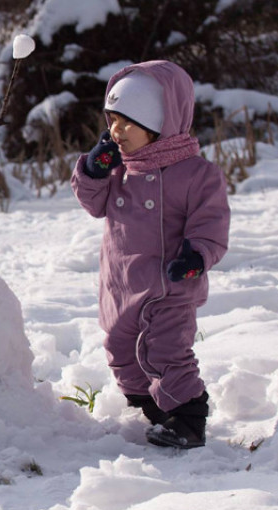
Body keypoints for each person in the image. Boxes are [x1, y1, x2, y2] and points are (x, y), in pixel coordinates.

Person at [70, 60, 230, 449]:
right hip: (122, 284)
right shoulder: (119, 169)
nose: (115, 131)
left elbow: (211, 222)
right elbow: (94, 204)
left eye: (127, 122)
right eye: (111, 120)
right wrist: (92, 171)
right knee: (120, 348)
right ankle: (152, 405)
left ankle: (189, 417)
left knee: (168, 350)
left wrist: (197, 256)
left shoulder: (195, 174)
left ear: (160, 121)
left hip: (171, 284)